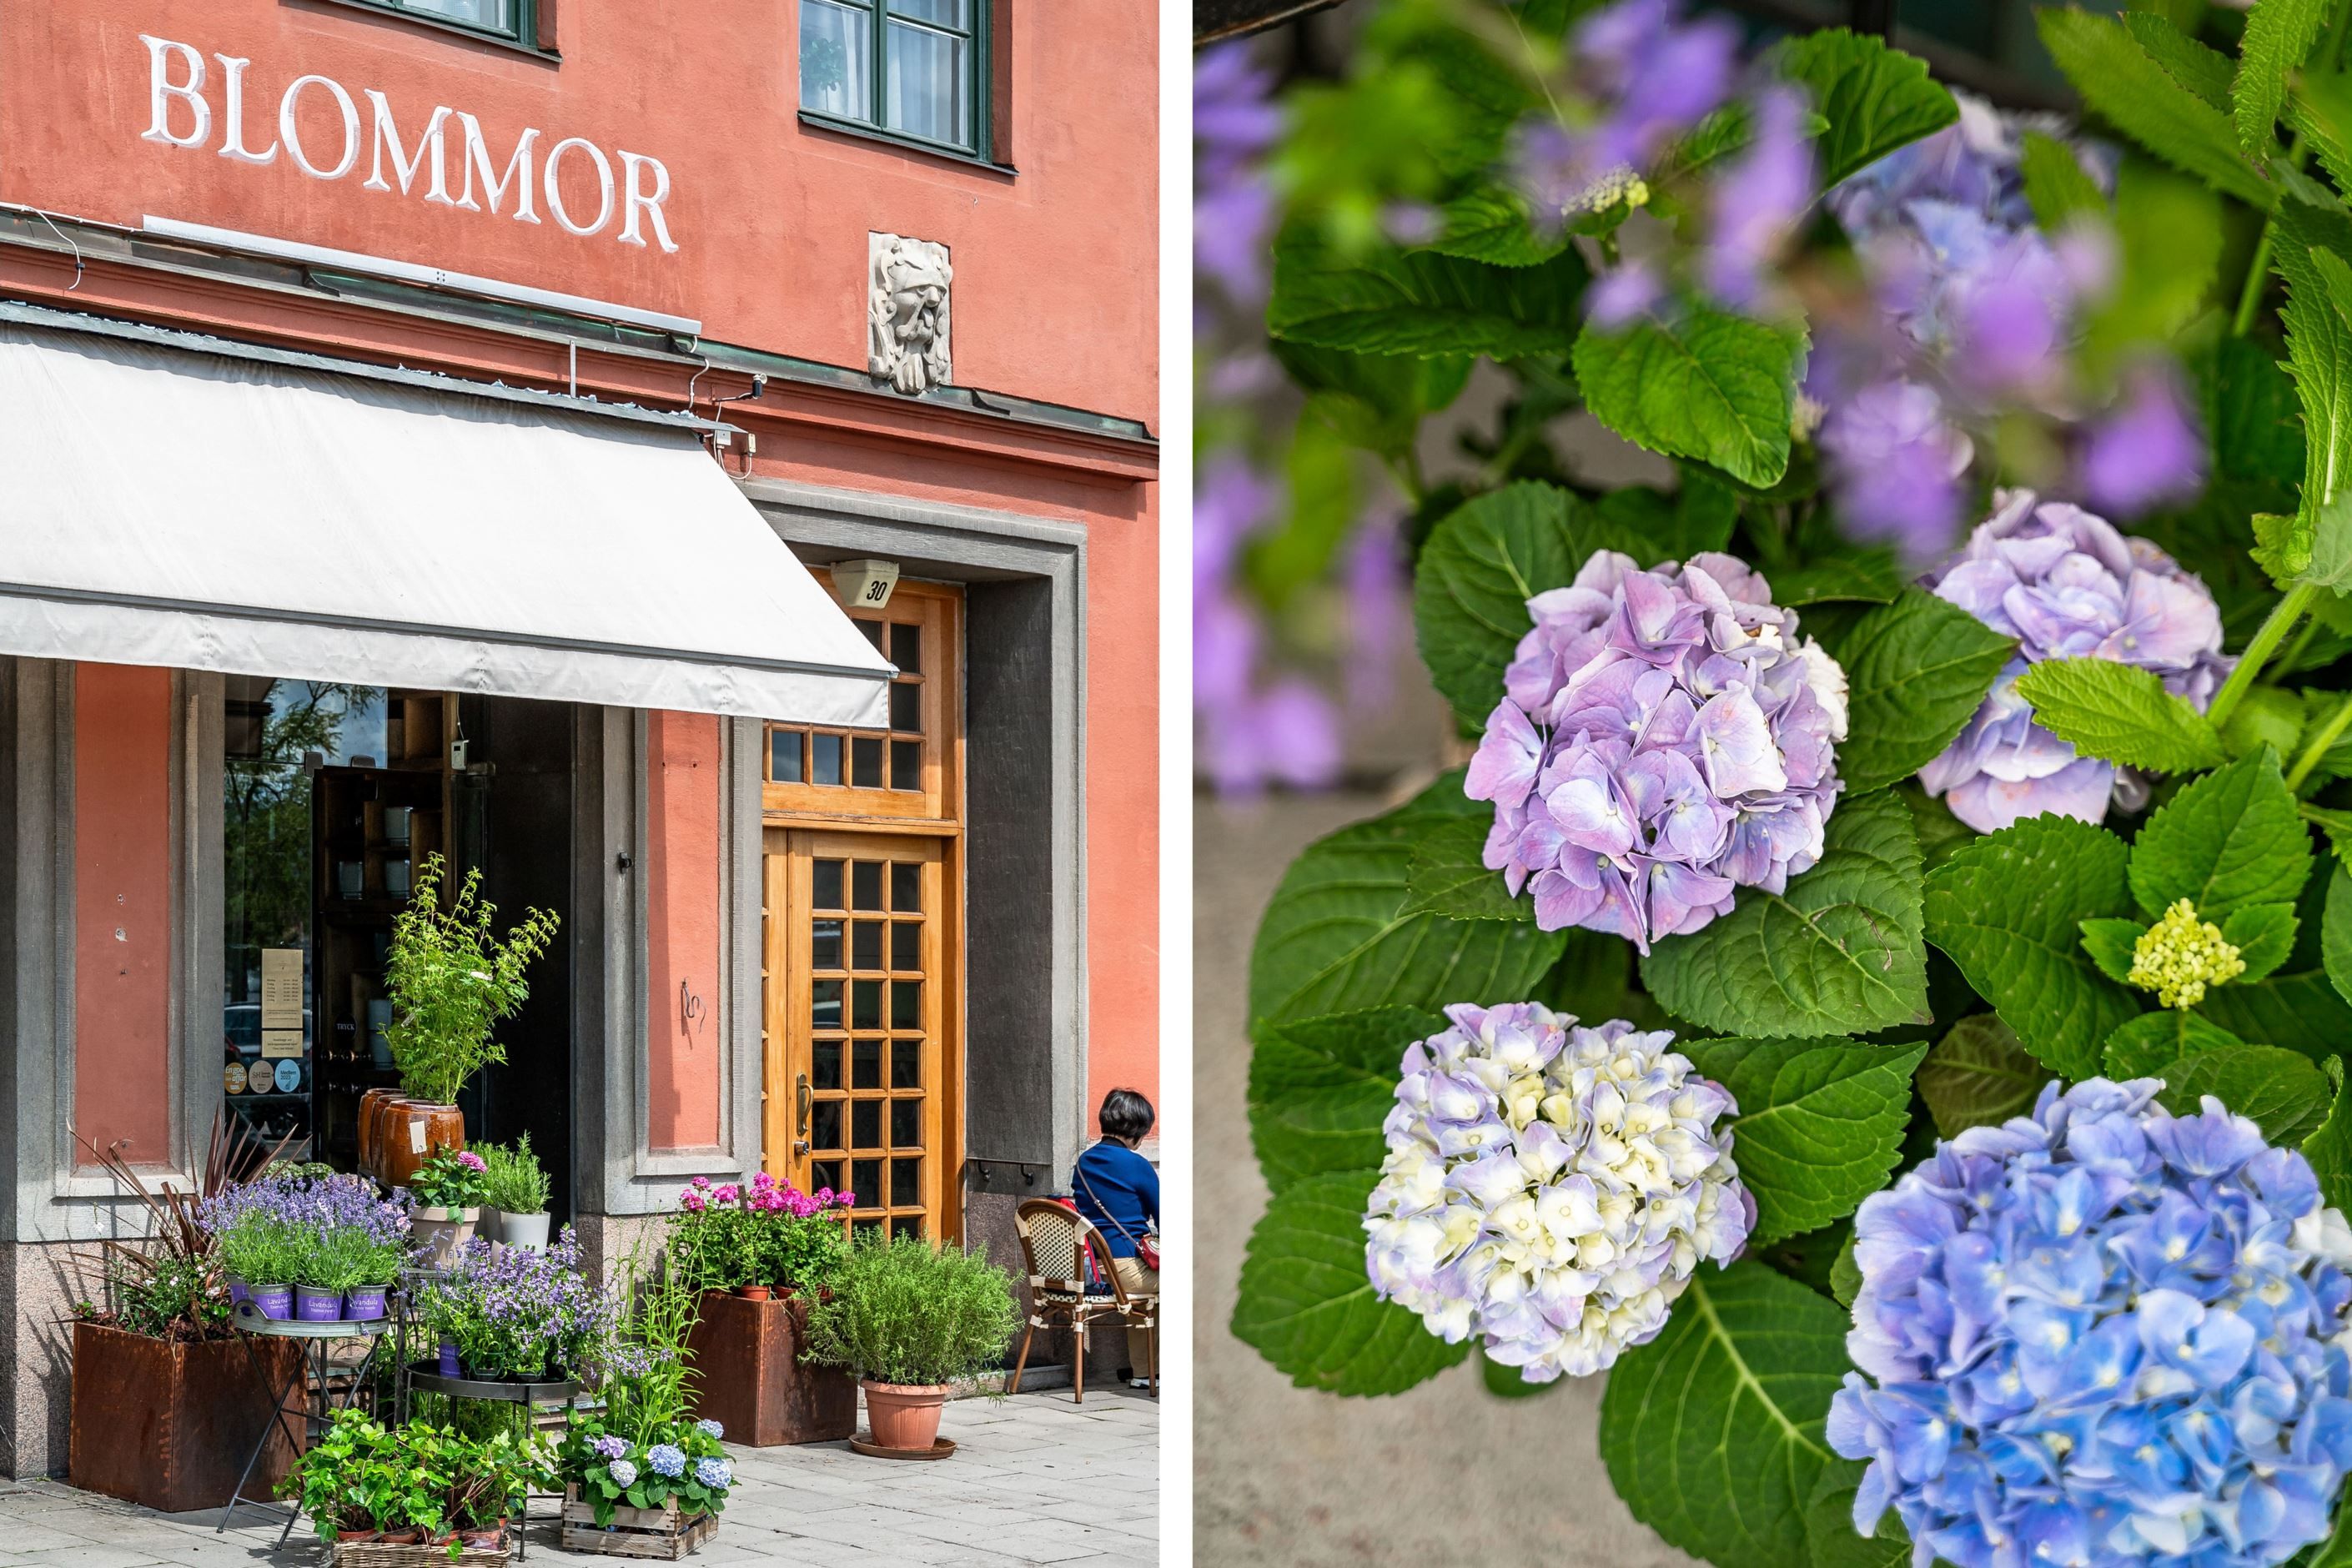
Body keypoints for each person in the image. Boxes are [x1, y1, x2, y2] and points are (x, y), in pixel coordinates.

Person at [1070, 1087, 1159, 1389]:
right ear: (1135, 1131)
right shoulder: (1137, 1165)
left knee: (1149, 1301)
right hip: (1130, 1269)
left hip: (1095, 1268)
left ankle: (1144, 1372)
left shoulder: (1083, 1163)